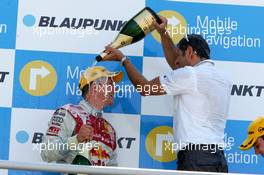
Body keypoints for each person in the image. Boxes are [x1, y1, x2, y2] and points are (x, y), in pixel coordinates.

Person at [102, 16, 231, 172]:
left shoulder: (190, 75)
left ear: (190, 52)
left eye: (180, 57)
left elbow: (146, 89)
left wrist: (123, 60)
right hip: (218, 159)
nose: (176, 63)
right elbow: (178, 65)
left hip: (196, 159)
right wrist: (163, 33)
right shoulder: (222, 78)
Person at [40, 66, 123, 169]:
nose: (115, 89)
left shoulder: (109, 129)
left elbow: (112, 168)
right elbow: (46, 153)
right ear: (95, 87)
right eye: (110, 85)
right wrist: (76, 139)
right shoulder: (69, 113)